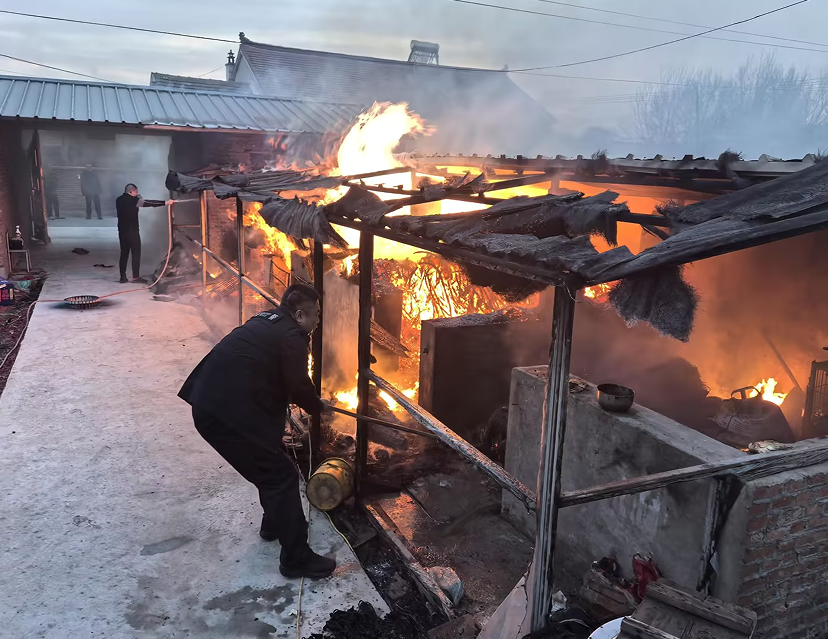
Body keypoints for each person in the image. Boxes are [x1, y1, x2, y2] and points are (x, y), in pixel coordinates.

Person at [178, 284, 336, 579]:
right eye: (316, 314)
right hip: (224, 415)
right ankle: (296, 559)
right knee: (281, 476)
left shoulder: (267, 320)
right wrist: (319, 406)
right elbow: (298, 386)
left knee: (271, 457)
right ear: (300, 315)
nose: (318, 319)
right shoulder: (291, 337)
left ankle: (274, 523)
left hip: (215, 402)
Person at [115, 183, 147, 284]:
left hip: (122, 231)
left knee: (124, 254)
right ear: (131, 191)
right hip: (132, 231)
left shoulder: (118, 200)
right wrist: (165, 203)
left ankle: (122, 276)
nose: (137, 193)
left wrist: (137, 199)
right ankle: (136, 277)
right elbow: (148, 203)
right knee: (136, 253)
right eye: (136, 191)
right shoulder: (134, 200)